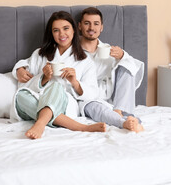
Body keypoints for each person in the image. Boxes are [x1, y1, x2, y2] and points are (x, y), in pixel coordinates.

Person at [11, 11, 105, 139]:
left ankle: (40, 123)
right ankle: (79, 127)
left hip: (65, 104)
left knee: (56, 87)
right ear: (52, 33)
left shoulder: (85, 61)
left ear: (74, 30)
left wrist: (75, 82)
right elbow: (23, 83)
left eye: (66, 28)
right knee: (20, 96)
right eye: (56, 30)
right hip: (39, 99)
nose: (61, 34)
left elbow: (93, 93)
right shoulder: (40, 54)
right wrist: (43, 78)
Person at [77, 7, 145, 133]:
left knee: (127, 64)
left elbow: (133, 68)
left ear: (101, 27)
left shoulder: (109, 50)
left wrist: (122, 56)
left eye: (96, 24)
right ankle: (126, 121)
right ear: (80, 26)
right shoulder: (72, 50)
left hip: (111, 98)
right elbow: (43, 58)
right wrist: (26, 69)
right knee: (95, 108)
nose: (92, 28)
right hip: (88, 98)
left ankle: (120, 110)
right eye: (87, 23)